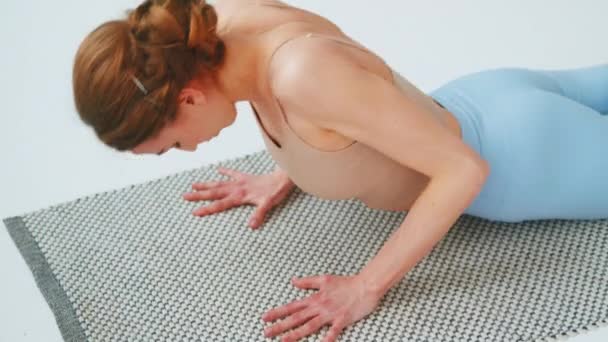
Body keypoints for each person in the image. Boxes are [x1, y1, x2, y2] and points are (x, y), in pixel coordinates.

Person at [72, 0, 608, 341]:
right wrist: (290, 169)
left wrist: (365, 287)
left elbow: (463, 170)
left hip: (528, 160)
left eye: (169, 146)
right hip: (482, 95)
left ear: (187, 98)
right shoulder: (220, 26)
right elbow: (341, 115)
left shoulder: (304, 76)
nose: (186, 152)